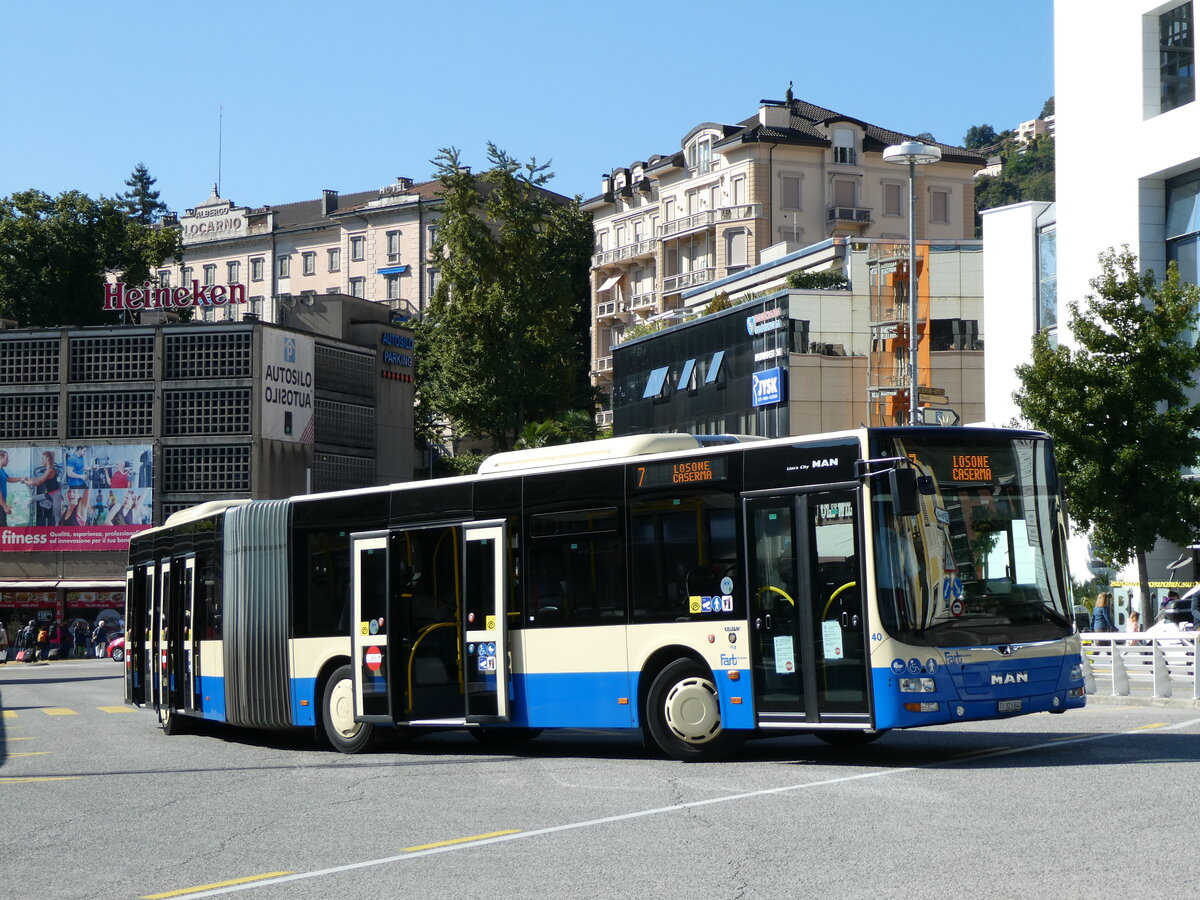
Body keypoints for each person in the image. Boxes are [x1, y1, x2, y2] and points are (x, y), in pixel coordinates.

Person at [24, 449, 62, 526]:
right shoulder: (47, 470)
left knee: (57, 520)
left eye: (42, 459)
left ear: (47, 459)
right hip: (49, 494)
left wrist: (28, 482)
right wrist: (29, 480)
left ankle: (57, 534)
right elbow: (38, 479)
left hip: (56, 495)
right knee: (33, 498)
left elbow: (39, 482)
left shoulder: (50, 470)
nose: (41, 461)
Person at [0, 449, 24, 526]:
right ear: (1, 458)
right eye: (6, 459)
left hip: (2, 502)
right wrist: (5, 507)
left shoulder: (1, 470)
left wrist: (20, 479)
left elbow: (8, 479)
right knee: (2, 527)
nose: (8, 461)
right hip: (1, 503)